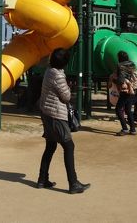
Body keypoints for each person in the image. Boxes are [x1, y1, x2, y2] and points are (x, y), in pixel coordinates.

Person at [37, 47, 90, 194]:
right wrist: (68, 88)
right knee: (69, 146)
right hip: (56, 115)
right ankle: (73, 183)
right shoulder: (58, 75)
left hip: (47, 112)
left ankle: (42, 179)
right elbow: (66, 96)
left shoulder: (49, 70)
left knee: (50, 146)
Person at [108, 51, 137, 135]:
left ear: (119, 57)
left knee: (118, 109)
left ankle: (125, 128)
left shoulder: (120, 65)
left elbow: (121, 79)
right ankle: (133, 129)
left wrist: (114, 80)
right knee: (128, 110)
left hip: (125, 90)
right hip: (133, 89)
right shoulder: (132, 64)